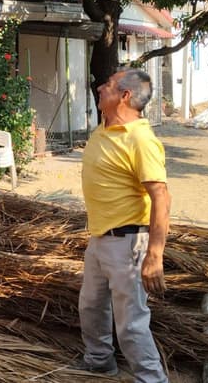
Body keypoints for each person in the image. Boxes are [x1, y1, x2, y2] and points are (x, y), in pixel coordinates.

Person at [75, 68, 171, 383]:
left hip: (128, 242)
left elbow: (161, 196)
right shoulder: (103, 130)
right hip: (100, 238)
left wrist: (154, 254)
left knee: (130, 323)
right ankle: (99, 361)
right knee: (91, 308)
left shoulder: (141, 139)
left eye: (109, 84)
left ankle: (151, 379)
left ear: (125, 96)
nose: (100, 87)